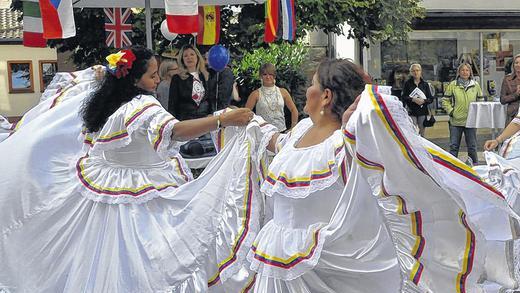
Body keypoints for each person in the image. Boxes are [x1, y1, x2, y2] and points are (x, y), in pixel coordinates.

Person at [240, 59, 518, 292]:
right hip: (280, 255)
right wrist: (249, 122)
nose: (306, 90)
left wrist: (362, 122)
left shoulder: (346, 144)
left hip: (330, 261)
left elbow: (402, 170)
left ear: (325, 96)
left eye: (312, 84)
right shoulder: (300, 131)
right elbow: (278, 142)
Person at [0, 45, 255, 292]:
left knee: (103, 258)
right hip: (139, 193)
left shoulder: (108, 102)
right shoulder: (142, 105)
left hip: (112, 190)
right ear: (134, 80)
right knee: (149, 258)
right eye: (152, 75)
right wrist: (223, 119)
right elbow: (175, 131)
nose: (157, 79)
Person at [442, 62, 483, 164]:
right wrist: (452, 112)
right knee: (454, 146)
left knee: (472, 147)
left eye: (467, 70)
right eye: (463, 70)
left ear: (470, 72)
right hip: (456, 122)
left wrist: (476, 113)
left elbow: (480, 100)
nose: (465, 72)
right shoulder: (453, 85)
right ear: (459, 72)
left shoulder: (475, 85)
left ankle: (475, 168)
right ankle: (452, 168)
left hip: (471, 122)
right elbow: (445, 100)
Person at [245, 63, 299, 132]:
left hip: (281, 132)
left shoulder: (283, 92)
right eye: (265, 74)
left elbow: (294, 110)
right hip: (262, 133)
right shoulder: (255, 94)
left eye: (270, 74)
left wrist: (293, 128)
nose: (268, 77)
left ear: (274, 76)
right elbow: (245, 113)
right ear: (260, 76)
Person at [168, 45, 213, 121]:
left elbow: (210, 98)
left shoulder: (205, 75)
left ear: (197, 57)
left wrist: (211, 113)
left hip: (205, 119)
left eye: (192, 54)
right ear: (182, 60)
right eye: (185, 56)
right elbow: (172, 104)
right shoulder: (177, 78)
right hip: (186, 120)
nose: (189, 57)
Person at [401, 63, 434, 136]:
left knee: (422, 133)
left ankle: (422, 147)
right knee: (412, 132)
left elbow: (431, 99)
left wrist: (424, 101)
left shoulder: (425, 84)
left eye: (417, 70)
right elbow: (403, 97)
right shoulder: (407, 84)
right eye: (413, 71)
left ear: (420, 71)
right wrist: (413, 99)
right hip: (411, 111)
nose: (416, 72)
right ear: (411, 72)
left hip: (422, 112)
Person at [500, 54, 520, 125]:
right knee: (511, 136)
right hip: (513, 116)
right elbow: (502, 100)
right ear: (513, 65)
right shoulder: (507, 79)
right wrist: (516, 94)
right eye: (516, 63)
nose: (518, 65)